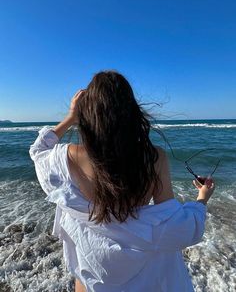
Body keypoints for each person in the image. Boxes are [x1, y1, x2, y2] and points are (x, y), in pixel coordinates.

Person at [29, 70, 215, 292]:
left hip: (92, 271)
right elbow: (174, 224)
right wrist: (201, 199)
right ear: (131, 110)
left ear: (87, 111)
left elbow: (38, 150)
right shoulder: (153, 158)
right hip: (144, 271)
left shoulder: (66, 157)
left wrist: (71, 117)